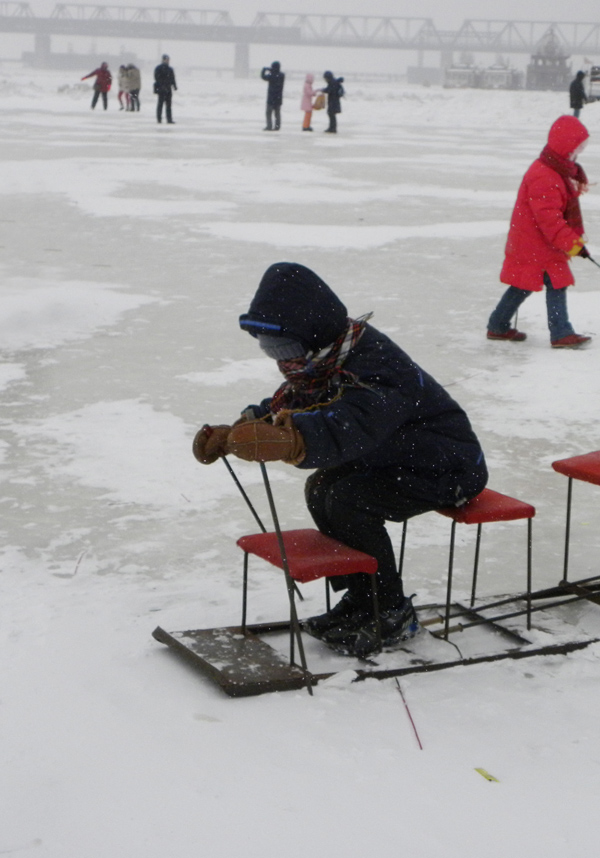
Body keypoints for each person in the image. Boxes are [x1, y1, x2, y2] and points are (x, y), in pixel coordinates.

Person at [193, 262, 488, 659]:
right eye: (272, 350)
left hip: (446, 465)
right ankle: (364, 598)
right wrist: (240, 431)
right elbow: (303, 400)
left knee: (350, 498)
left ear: (313, 335)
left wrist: (292, 440)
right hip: (397, 458)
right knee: (322, 487)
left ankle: (391, 610)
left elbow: (354, 422)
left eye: (287, 349)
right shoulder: (326, 361)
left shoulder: (376, 365)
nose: (284, 361)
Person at [487, 115, 592, 349]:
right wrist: (573, 245)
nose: (577, 155)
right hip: (536, 243)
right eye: (576, 149)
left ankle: (498, 325)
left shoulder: (556, 170)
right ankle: (561, 332)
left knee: (523, 284)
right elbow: (550, 221)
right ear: (564, 146)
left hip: (536, 242)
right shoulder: (545, 176)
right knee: (556, 281)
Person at [261, 61, 285, 131]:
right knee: (277, 113)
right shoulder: (281, 75)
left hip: (271, 98)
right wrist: (273, 70)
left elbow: (263, 77)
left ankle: (269, 126)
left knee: (268, 113)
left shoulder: (271, 76)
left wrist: (264, 70)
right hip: (278, 98)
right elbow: (277, 74)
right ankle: (277, 126)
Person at [154, 54, 177, 124]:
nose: (168, 61)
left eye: (168, 60)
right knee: (160, 104)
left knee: (168, 105)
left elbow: (173, 78)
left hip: (168, 89)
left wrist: (174, 86)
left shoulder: (170, 69)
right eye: (166, 60)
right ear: (163, 60)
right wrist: (162, 84)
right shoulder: (159, 68)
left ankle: (169, 119)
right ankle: (159, 119)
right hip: (162, 89)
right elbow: (156, 78)